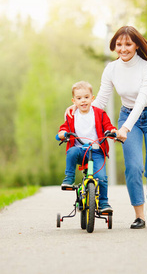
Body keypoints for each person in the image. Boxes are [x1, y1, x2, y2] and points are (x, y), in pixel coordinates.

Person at [66, 26, 147, 229]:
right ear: (114, 46)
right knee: (133, 168)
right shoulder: (111, 69)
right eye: (119, 44)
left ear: (137, 45)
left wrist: (125, 129)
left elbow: (141, 101)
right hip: (127, 115)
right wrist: (79, 110)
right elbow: (101, 99)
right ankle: (139, 215)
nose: (123, 48)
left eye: (128, 44)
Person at [57, 81, 117, 213]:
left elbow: (108, 126)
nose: (83, 101)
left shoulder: (100, 113)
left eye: (86, 97)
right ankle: (69, 178)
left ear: (92, 98)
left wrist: (112, 131)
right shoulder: (72, 115)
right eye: (79, 98)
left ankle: (103, 203)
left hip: (96, 151)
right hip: (80, 151)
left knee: (101, 177)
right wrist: (62, 134)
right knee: (71, 151)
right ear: (74, 100)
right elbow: (64, 128)